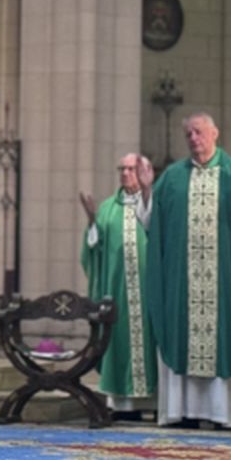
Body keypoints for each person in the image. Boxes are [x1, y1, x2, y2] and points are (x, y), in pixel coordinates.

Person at [144, 111, 231, 429]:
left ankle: (221, 414)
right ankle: (180, 412)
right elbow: (152, 223)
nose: (193, 138)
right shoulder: (172, 177)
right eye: (188, 134)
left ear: (215, 134)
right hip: (181, 281)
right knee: (180, 338)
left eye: (199, 132)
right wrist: (146, 192)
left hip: (223, 281)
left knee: (223, 340)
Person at [79, 153, 157, 414]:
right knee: (119, 339)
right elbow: (94, 251)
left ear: (145, 172)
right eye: (121, 169)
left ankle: (155, 403)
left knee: (151, 340)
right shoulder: (108, 208)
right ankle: (123, 404)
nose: (125, 173)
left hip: (149, 291)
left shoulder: (155, 203)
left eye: (131, 169)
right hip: (118, 291)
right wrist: (92, 223)